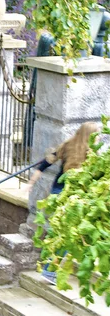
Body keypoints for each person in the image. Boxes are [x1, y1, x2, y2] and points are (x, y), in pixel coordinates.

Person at [28, 121, 101, 282]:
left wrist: (32, 181)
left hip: (58, 193)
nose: (99, 137)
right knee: (66, 235)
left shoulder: (68, 144)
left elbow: (46, 163)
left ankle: (58, 267)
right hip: (73, 197)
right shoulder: (92, 154)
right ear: (90, 135)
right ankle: (50, 271)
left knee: (62, 233)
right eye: (97, 134)